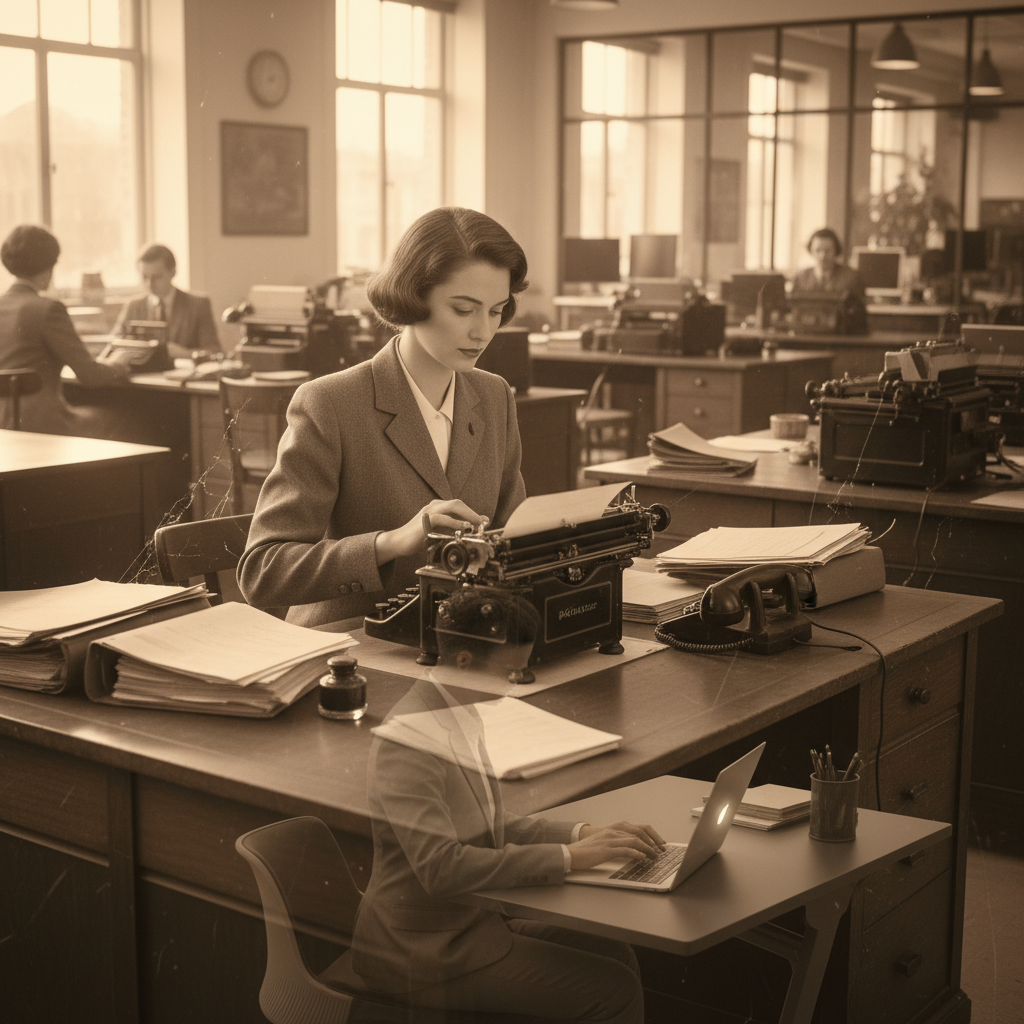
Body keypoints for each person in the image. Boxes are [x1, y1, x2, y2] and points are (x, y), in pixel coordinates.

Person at [352, 586, 660, 1023]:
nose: (517, 683)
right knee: (614, 990)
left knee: (616, 952)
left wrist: (585, 835)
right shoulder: (410, 740)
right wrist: (569, 858)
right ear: (463, 661)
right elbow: (442, 868)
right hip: (421, 952)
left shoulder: (462, 707)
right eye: (510, 671)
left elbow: (486, 824)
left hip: (470, 923)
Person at [237, 207, 531, 627]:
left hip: (460, 635)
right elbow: (262, 572)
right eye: (464, 310)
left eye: (496, 310)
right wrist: (389, 543)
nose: (483, 332)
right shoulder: (329, 403)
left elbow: (514, 537)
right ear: (412, 298)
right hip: (346, 642)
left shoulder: (494, 395)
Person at [0, 224, 131, 434]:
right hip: (42, 426)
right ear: (49, 265)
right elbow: (90, 376)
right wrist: (118, 363)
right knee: (128, 418)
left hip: (5, 430)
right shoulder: (49, 309)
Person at [112, 243, 220, 359]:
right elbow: (114, 343)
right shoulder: (133, 306)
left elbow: (214, 351)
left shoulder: (198, 305)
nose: (149, 284)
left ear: (173, 272)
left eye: (157, 277)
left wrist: (186, 354)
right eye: (144, 277)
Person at [791, 228, 865, 299]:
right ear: (811, 251)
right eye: (818, 250)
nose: (822, 256)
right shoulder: (800, 278)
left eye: (827, 250)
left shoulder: (851, 278)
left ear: (836, 250)